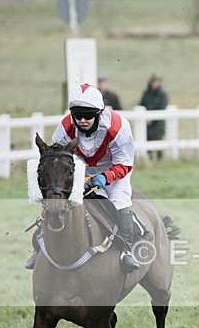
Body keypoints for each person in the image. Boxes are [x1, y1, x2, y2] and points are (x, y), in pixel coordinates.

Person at [25, 84, 140, 273]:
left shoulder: (118, 127)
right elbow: (57, 158)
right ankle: (40, 246)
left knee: (120, 200)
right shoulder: (65, 127)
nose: (83, 120)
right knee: (57, 200)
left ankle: (126, 252)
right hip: (80, 169)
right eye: (78, 115)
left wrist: (105, 177)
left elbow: (125, 163)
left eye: (88, 115)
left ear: (99, 113)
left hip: (114, 171)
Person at [138, 74, 168, 161]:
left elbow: (162, 107)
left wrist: (152, 118)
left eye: (157, 82)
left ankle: (160, 159)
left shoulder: (162, 94)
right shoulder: (146, 94)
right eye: (154, 82)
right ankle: (148, 159)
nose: (155, 84)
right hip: (147, 123)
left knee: (158, 140)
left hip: (158, 123)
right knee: (148, 140)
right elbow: (142, 104)